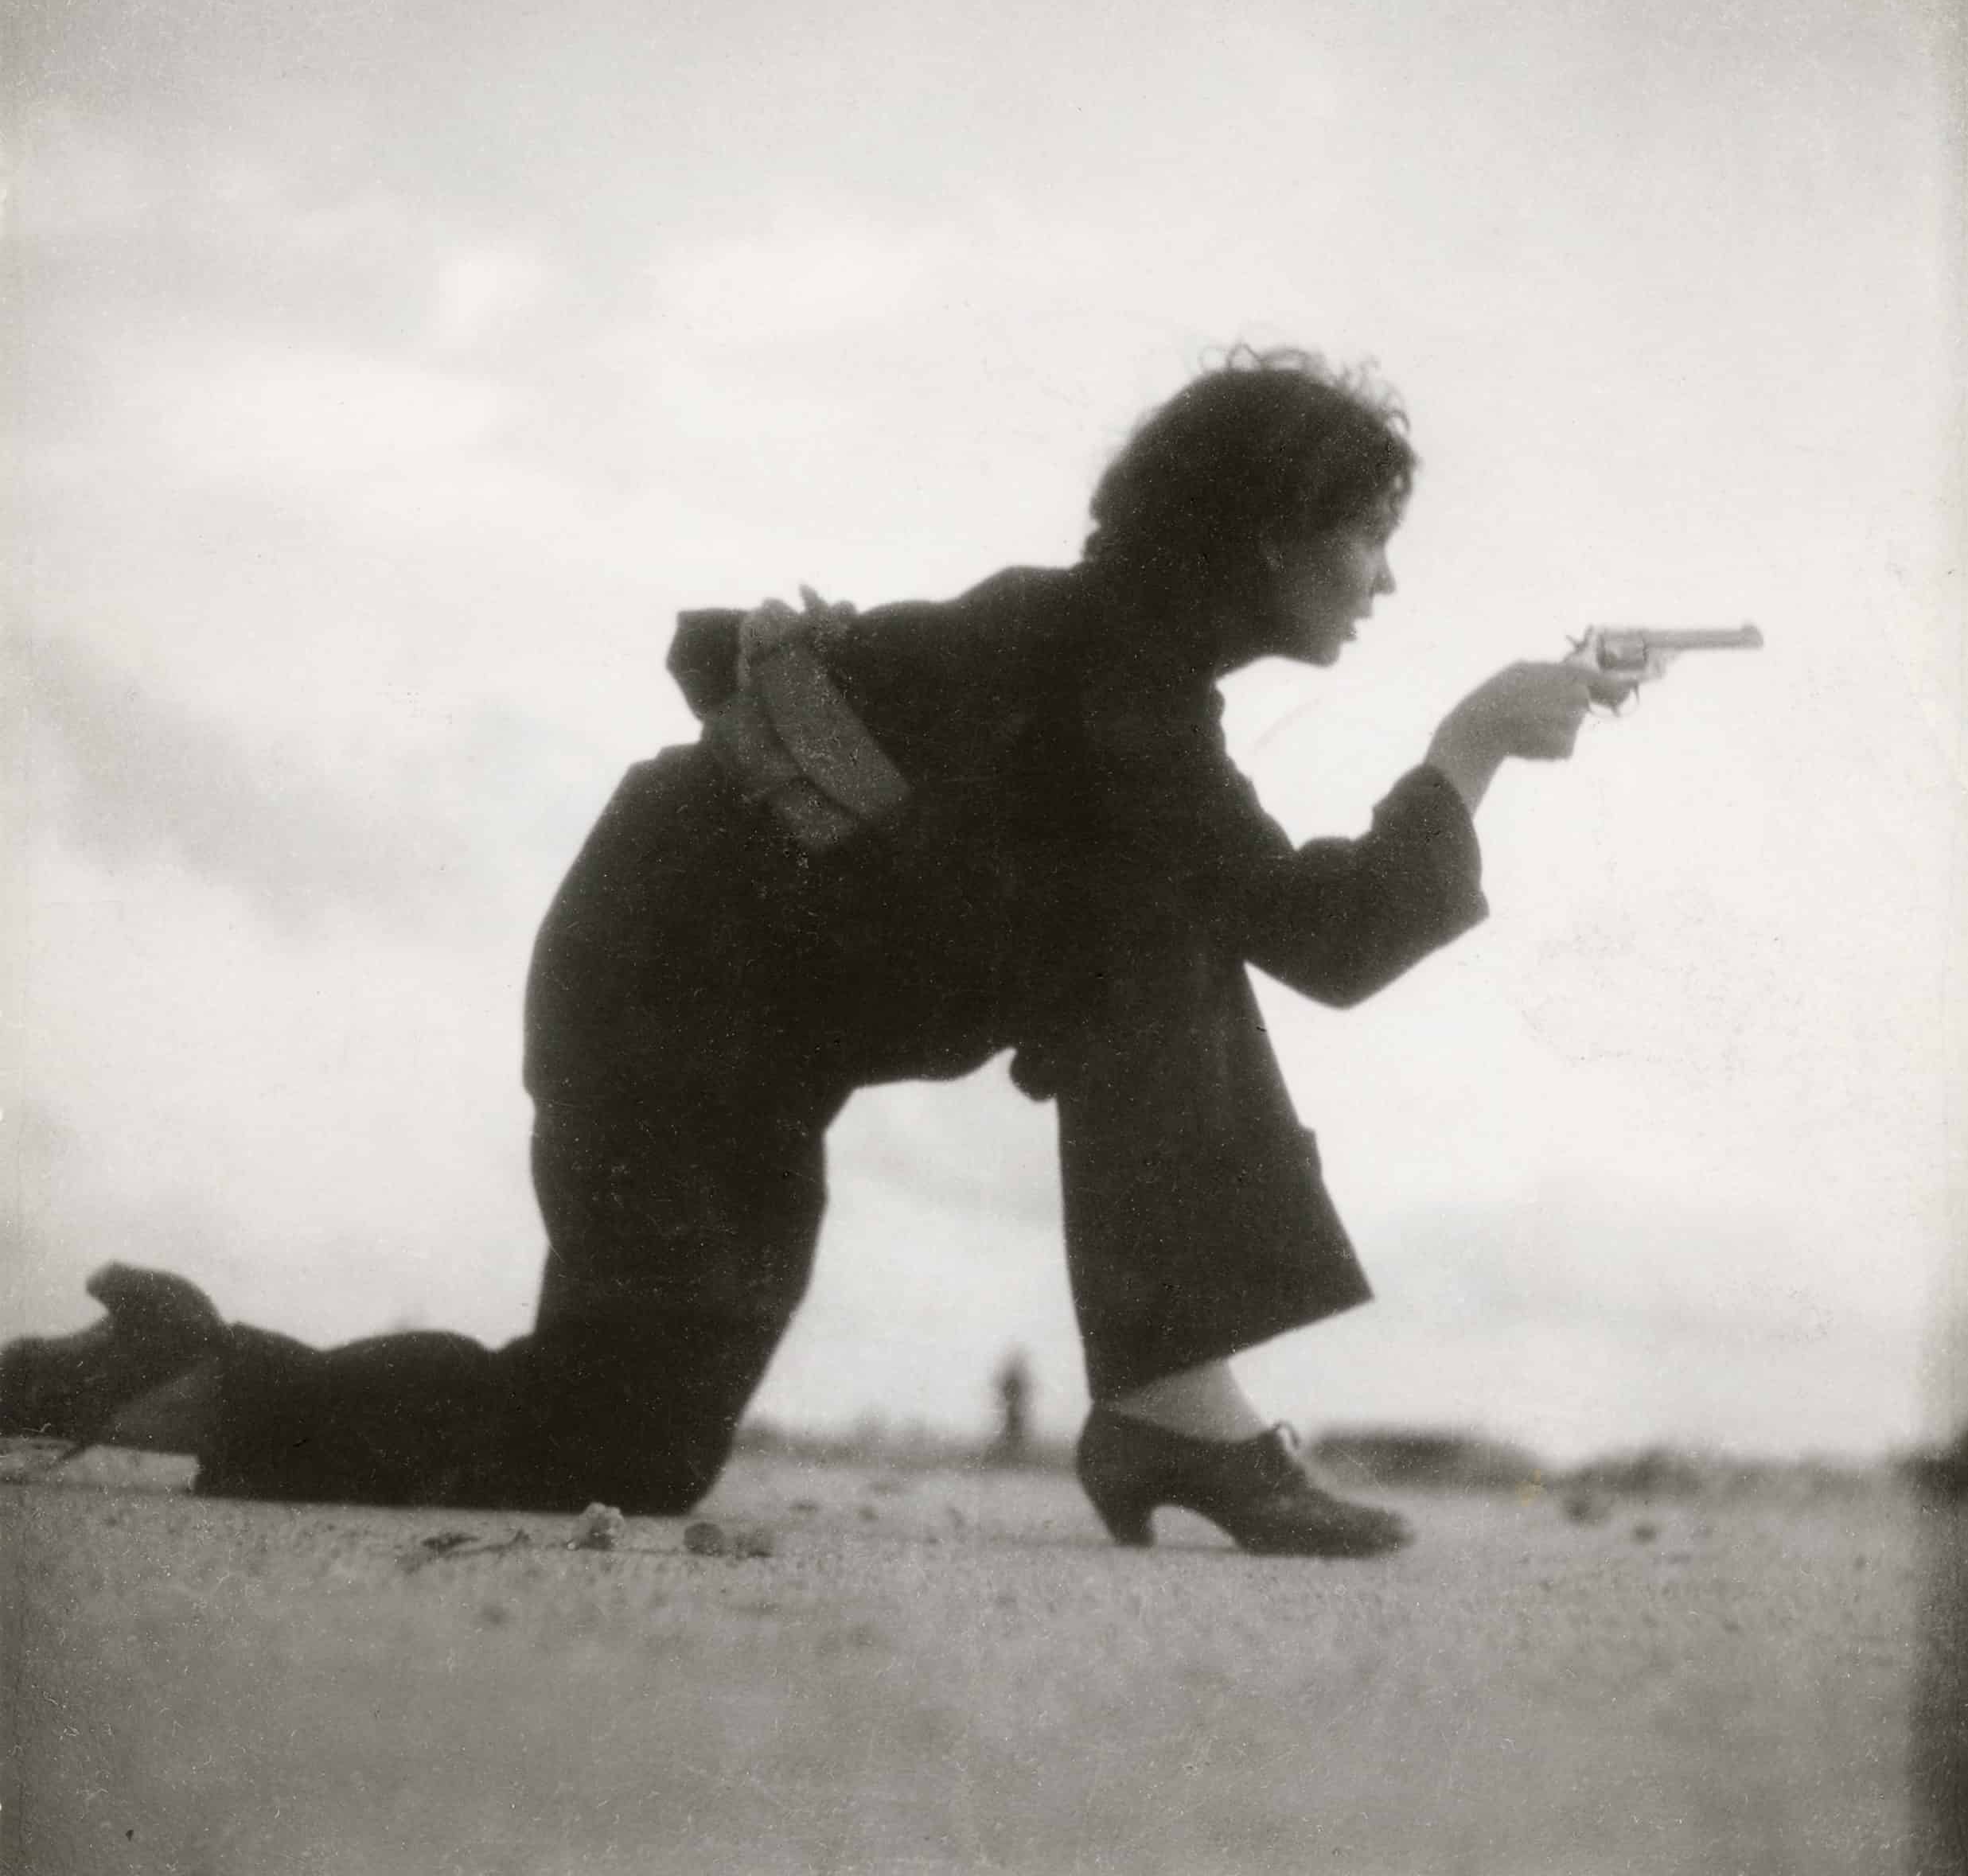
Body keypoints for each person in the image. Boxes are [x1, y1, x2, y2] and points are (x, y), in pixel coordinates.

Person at [2, 348, 1608, 1556]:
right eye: (1366, 536)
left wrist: (813, 701)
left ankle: (167, 1376)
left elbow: (744, 661)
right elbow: (1325, 938)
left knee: (626, 1427)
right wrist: (1468, 743)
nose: (1385, 578)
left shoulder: (1097, 645)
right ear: (1265, 536)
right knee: (617, 1437)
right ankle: (1173, 1412)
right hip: (671, 1007)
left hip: (714, 1002)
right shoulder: (1114, 674)